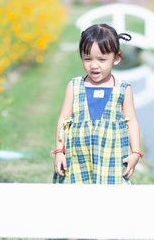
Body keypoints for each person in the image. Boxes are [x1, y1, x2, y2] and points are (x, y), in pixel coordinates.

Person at [52, 23, 143, 184]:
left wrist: (135, 152)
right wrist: (59, 151)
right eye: (87, 59)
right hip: (78, 159)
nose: (94, 65)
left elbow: (132, 122)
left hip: (111, 159)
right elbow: (63, 121)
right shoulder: (74, 86)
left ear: (117, 58)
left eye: (102, 59)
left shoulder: (123, 89)